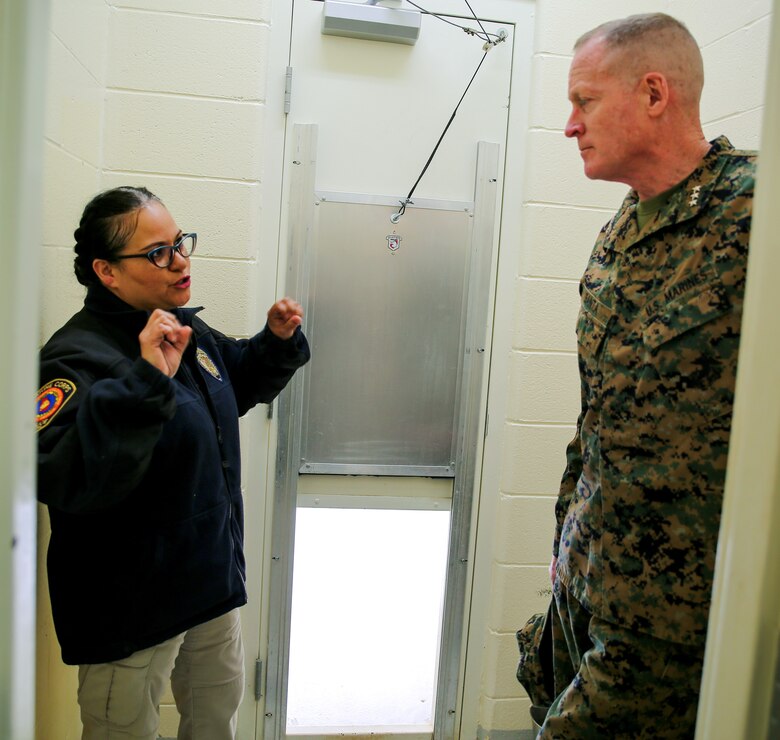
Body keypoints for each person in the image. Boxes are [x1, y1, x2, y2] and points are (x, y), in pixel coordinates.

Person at [539, 13, 757, 738]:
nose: (571, 125)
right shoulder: (621, 231)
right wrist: (564, 538)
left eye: (585, 101)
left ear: (654, 93)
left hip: (679, 618)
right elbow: (596, 416)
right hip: (592, 581)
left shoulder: (756, 213)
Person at [36, 186, 310, 740]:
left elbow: (231, 384)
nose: (180, 260)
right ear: (106, 271)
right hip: (130, 609)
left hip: (208, 583)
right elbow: (69, 477)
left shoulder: (181, 327)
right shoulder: (74, 358)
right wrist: (145, 380)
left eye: (179, 242)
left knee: (214, 722)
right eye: (157, 252)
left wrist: (275, 343)